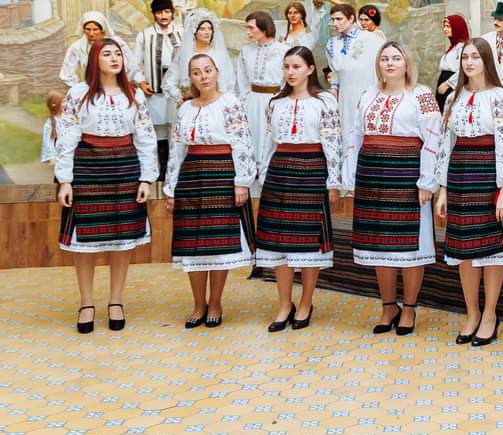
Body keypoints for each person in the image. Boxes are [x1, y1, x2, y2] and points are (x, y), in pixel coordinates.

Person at [55, 39, 158, 333]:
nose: (115, 58)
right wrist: (65, 180)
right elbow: (67, 136)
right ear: (94, 59)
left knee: (122, 240)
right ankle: (87, 303)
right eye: (107, 54)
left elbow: (146, 137)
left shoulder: (134, 94)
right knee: (85, 242)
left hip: (125, 169)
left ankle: (116, 301)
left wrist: (146, 178)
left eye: (118, 54)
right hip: (88, 167)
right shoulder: (78, 93)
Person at [343, 42, 441, 335]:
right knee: (379, 245)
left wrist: (427, 182)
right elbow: (356, 136)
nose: (390, 63)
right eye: (384, 58)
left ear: (406, 63)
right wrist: (351, 177)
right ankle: (388, 306)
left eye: (396, 58)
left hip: (407, 174)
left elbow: (433, 138)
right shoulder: (368, 94)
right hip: (372, 175)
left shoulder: (421, 95)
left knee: (411, 246)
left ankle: (409, 308)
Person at [435, 38, 503, 347]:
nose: (469, 62)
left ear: (486, 60)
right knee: (464, 250)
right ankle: (472, 313)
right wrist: (443, 189)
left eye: (475, 57)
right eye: (465, 57)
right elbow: (445, 144)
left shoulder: (501, 96)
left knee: (492, 250)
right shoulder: (453, 97)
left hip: (490, 175)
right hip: (460, 174)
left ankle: (490, 315)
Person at [164, 54, 257, 329]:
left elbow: (242, 143)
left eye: (207, 70)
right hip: (191, 177)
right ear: (190, 77)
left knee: (218, 245)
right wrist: (171, 189)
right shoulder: (185, 109)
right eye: (196, 72)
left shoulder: (230, 103)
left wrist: (242, 182)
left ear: (217, 72)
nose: (203, 76)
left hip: (222, 174)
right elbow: (176, 151)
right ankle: (198, 304)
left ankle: (215, 303)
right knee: (192, 245)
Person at [255, 46, 343, 332]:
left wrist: (333, 181)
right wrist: (264, 175)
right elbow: (268, 142)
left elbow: (333, 141)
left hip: (312, 170)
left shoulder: (324, 101)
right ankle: (284, 304)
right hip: (280, 171)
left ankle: (305, 302)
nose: (290, 72)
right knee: (279, 241)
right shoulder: (275, 103)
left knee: (308, 241)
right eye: (286, 67)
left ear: (310, 69)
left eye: (296, 66)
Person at [132, 0, 184, 171]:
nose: (164, 16)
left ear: (172, 13)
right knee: (158, 129)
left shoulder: (182, 32)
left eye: (167, 12)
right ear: (154, 15)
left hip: (177, 92)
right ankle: (161, 168)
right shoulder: (144, 35)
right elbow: (134, 64)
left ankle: (176, 168)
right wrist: (141, 81)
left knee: (177, 128)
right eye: (160, 12)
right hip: (154, 91)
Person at [325, 3, 383, 154]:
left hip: (369, 92)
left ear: (351, 19)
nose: (335, 23)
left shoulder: (371, 38)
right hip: (345, 96)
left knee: (369, 131)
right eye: (333, 19)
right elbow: (335, 72)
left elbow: (382, 67)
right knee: (347, 133)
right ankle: (348, 167)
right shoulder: (332, 44)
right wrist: (334, 89)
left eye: (339, 19)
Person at [236, 11, 288, 170]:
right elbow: (241, 80)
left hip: (275, 100)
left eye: (251, 28)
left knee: (271, 138)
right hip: (252, 102)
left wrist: (282, 102)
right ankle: (252, 173)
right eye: (247, 28)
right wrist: (244, 103)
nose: (248, 32)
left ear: (264, 28)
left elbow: (289, 79)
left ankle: (270, 173)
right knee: (252, 137)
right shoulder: (246, 51)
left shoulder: (283, 50)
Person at [164, 10, 237, 104]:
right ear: (194, 31)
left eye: (210, 29)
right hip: (191, 102)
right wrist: (178, 95)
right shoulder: (185, 53)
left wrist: (223, 100)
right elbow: (170, 79)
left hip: (215, 102)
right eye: (202, 29)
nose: (207, 32)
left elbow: (230, 80)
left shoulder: (219, 53)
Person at [59, 12, 137, 87]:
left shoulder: (117, 44)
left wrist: (122, 85)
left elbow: (131, 66)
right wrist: (81, 89)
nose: (91, 33)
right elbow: (66, 73)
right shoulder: (77, 47)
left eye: (95, 29)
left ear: (102, 29)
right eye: (88, 29)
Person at [436, 14, 469, 113]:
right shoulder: (454, 47)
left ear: (457, 27)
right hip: (445, 81)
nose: (445, 29)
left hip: (452, 85)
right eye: (444, 26)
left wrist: (448, 84)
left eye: (448, 26)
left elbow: (464, 69)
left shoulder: (462, 47)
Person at [40, 89, 65, 166]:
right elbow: (48, 142)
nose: (66, 104)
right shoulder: (50, 124)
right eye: (63, 102)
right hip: (59, 158)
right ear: (55, 104)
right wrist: (52, 157)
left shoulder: (68, 118)